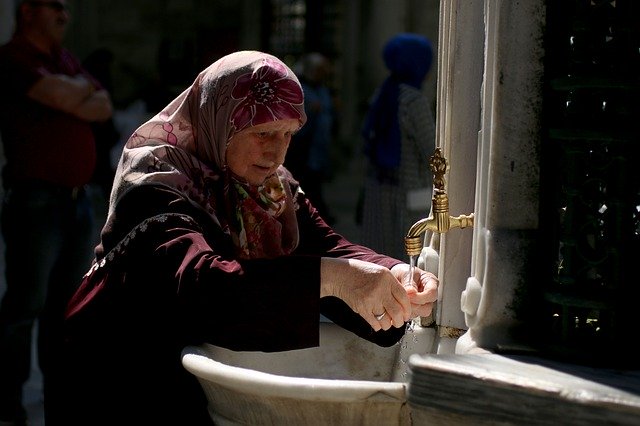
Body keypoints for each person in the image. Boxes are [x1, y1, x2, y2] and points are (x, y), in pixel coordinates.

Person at [55, 50, 439, 425]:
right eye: (263, 132)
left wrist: (391, 275)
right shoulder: (157, 181)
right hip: (120, 369)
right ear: (220, 119)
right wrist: (336, 277)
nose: (275, 152)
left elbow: (325, 245)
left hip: (195, 372)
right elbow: (202, 285)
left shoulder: (271, 190)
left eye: (288, 134)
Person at [0, 1, 113, 424]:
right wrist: (74, 93)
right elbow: (67, 95)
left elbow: (101, 104)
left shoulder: (62, 59)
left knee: (64, 310)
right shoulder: (13, 58)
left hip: (75, 201)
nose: (65, 15)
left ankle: (58, 403)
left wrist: (72, 92)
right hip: (36, 201)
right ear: (28, 9)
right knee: (25, 305)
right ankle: (8, 403)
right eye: (55, 7)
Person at [359, 33, 436, 261]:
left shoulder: (382, 93)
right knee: (405, 262)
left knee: (379, 258)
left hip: (378, 188)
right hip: (408, 195)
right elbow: (432, 151)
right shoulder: (413, 101)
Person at [285, 52, 336, 223]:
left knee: (315, 185)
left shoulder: (322, 89)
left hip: (319, 148)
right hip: (302, 148)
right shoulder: (300, 88)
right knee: (306, 185)